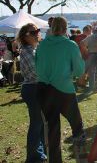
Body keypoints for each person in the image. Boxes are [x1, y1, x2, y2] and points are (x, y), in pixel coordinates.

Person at [36, 17, 86, 163]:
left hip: (44, 90)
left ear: (51, 28)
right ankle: (81, 159)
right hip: (63, 91)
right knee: (77, 126)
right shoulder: (70, 45)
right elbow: (79, 70)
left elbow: (37, 68)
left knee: (52, 129)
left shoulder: (42, 45)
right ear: (65, 29)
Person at [18, 24, 47, 163]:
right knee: (36, 123)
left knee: (39, 123)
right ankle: (34, 156)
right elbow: (37, 73)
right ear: (25, 36)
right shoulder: (27, 51)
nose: (37, 33)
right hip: (33, 89)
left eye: (38, 30)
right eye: (33, 32)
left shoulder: (34, 49)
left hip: (36, 88)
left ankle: (40, 153)